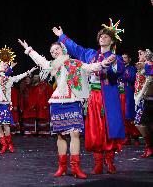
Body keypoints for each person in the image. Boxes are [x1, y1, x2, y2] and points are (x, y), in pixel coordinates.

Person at [18, 38, 113, 178]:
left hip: (73, 101)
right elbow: (40, 60)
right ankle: (62, 167)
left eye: (56, 49)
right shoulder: (52, 65)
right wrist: (29, 50)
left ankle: (75, 167)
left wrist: (103, 63)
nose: (54, 52)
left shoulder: (75, 63)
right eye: (52, 51)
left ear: (62, 49)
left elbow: (90, 67)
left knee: (75, 133)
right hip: (58, 102)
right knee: (60, 135)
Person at [52, 19, 125, 174]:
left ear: (112, 41)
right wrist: (62, 36)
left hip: (109, 97)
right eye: (101, 36)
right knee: (95, 129)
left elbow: (116, 74)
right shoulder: (90, 54)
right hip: (93, 97)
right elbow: (75, 48)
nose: (103, 38)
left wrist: (111, 64)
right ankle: (98, 162)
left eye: (106, 36)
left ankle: (110, 160)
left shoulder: (116, 58)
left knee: (108, 128)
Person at [134, 49, 153, 158]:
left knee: (139, 123)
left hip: (146, 98)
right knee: (147, 124)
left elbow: (148, 81)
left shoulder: (149, 65)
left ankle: (149, 146)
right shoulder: (143, 65)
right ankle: (149, 146)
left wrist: (140, 95)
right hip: (142, 98)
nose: (139, 55)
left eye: (141, 54)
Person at [119, 53, 140, 145]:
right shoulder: (118, 68)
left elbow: (132, 79)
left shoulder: (131, 68)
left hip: (128, 92)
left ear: (129, 59)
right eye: (122, 58)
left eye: (125, 58)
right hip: (119, 93)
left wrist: (123, 75)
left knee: (129, 115)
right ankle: (126, 136)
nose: (123, 59)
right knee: (122, 115)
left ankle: (135, 136)